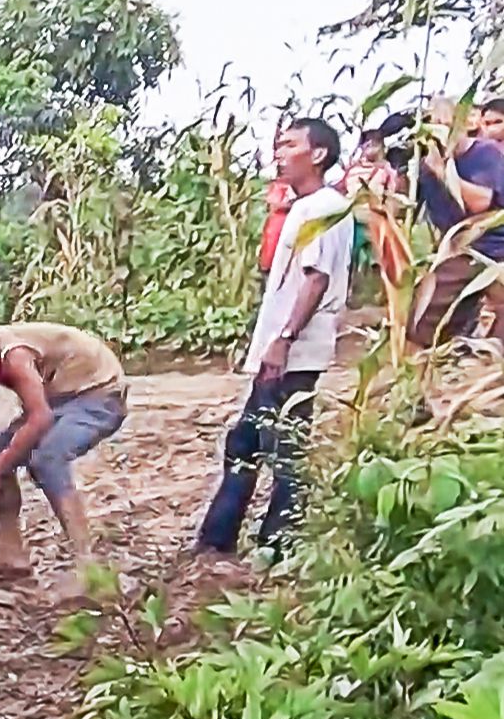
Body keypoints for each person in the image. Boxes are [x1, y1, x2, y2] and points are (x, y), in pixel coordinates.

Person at [197, 118, 353, 556]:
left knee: (281, 449)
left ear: (317, 154)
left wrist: (284, 338)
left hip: (294, 352)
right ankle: (219, 538)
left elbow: (315, 279)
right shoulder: (309, 206)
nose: (278, 154)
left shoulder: (321, 207)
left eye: (289, 145)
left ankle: (276, 545)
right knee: (248, 440)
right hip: (288, 351)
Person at [0, 297, 127, 585]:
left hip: (99, 395)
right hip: (58, 397)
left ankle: (87, 566)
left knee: (47, 458)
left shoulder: (13, 356)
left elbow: (39, 418)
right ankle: (11, 556)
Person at [375, 103, 504, 345]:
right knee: (424, 323)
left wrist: (443, 172)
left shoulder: (485, 153)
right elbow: (403, 211)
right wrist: (390, 188)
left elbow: (481, 202)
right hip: (457, 249)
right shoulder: (423, 164)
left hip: (491, 248)